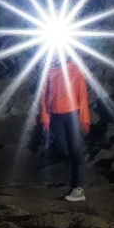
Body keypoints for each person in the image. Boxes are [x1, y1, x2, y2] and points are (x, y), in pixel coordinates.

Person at [39, 56, 92, 202]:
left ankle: (79, 188)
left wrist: (84, 120)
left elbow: (82, 95)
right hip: (56, 116)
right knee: (66, 152)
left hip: (72, 114)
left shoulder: (75, 69)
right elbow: (44, 96)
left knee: (76, 150)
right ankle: (73, 186)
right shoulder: (49, 72)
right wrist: (45, 119)